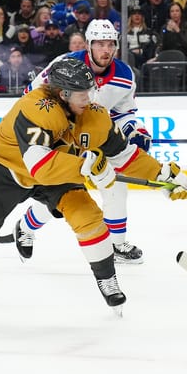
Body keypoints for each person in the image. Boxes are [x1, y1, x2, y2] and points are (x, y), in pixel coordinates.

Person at [0, 58, 187, 312]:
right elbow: (41, 168)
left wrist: (166, 175)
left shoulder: (95, 115)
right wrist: (88, 167)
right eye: (81, 94)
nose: (89, 99)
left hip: (59, 171)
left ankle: (107, 280)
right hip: (4, 171)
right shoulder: (35, 108)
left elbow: (124, 156)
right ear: (61, 94)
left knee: (89, 217)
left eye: (90, 91)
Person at [19, 20, 154, 264]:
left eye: (110, 44)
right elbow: (32, 94)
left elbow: (125, 113)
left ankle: (116, 243)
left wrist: (134, 131)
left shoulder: (125, 75)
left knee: (116, 188)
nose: (106, 49)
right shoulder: (65, 65)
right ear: (89, 45)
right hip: (64, 137)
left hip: (97, 135)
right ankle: (26, 227)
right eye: (100, 44)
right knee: (63, 196)